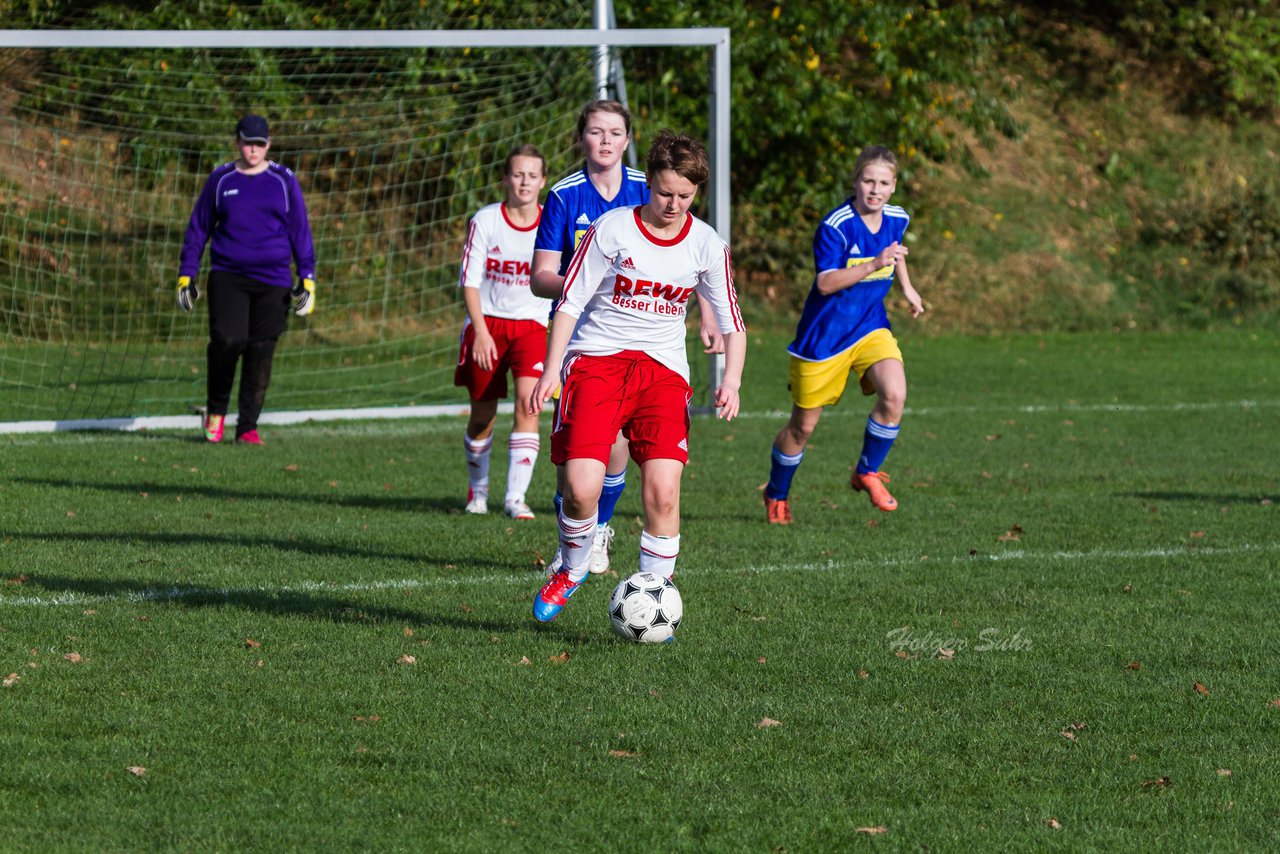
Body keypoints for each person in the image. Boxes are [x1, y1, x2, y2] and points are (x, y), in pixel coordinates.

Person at [528, 130, 746, 623]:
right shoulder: (613, 229)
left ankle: (655, 602)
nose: (673, 205)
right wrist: (549, 369)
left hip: (663, 372)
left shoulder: (708, 244)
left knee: (664, 493)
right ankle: (574, 566)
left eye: (685, 197)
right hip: (597, 363)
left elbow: (732, 319)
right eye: (665, 193)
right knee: (581, 489)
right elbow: (571, 301)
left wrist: (731, 379)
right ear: (649, 183)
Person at [763, 145, 924, 524]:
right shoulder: (836, 226)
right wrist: (873, 264)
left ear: (894, 186)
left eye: (884, 183)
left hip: (871, 327)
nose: (875, 189)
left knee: (895, 393)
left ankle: (867, 471)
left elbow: (896, 253)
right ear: (855, 182)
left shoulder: (897, 218)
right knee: (802, 428)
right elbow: (825, 283)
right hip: (824, 339)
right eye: (868, 180)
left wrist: (908, 288)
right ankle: (777, 492)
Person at [529, 99, 651, 574]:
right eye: (596, 132)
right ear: (582, 137)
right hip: (578, 335)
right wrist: (589, 280)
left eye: (615, 132)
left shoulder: (648, 189)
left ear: (627, 139)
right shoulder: (565, 195)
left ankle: (597, 529)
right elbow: (540, 276)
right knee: (575, 455)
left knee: (618, 439)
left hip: (635, 333)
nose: (605, 141)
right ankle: (571, 535)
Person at [177, 114, 316, 445]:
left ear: (268, 145)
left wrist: (307, 277)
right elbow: (198, 228)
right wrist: (187, 273)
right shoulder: (221, 179)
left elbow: (299, 230)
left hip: (274, 280)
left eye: (260, 144)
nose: (253, 150)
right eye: (247, 142)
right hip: (229, 276)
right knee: (228, 341)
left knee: (261, 350)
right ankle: (216, 412)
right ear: (236, 142)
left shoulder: (283, 180)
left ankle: (248, 426)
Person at [454, 143, 550, 520]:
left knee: (530, 404)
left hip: (531, 326)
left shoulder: (551, 222)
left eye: (532, 175)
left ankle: (515, 498)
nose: (524, 182)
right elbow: (470, 280)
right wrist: (479, 332)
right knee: (482, 416)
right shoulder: (487, 220)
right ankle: (478, 492)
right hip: (488, 324)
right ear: (506, 178)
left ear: (542, 181)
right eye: (517, 174)